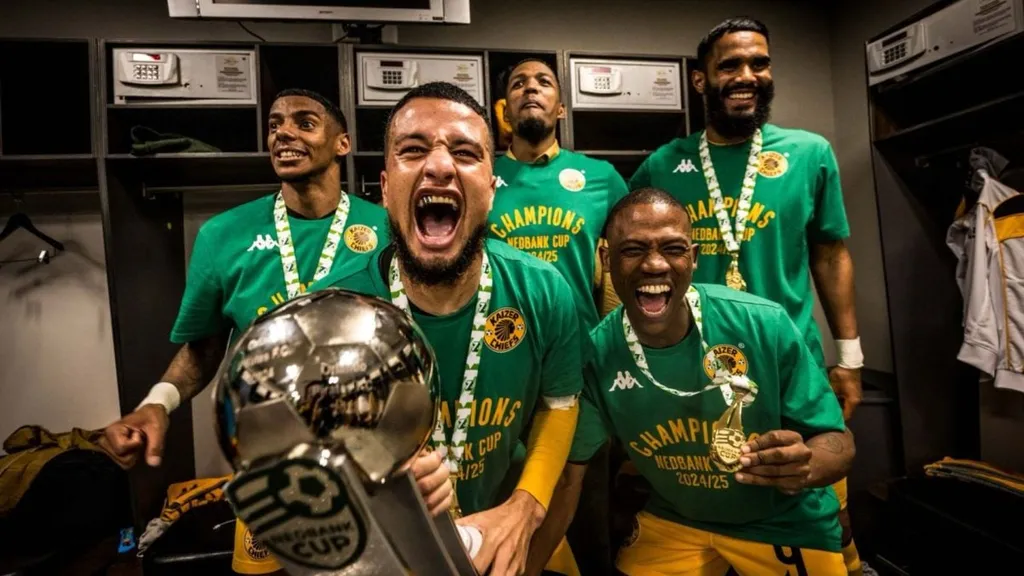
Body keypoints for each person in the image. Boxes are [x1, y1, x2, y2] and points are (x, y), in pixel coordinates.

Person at [99, 88, 451, 575]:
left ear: (343, 143)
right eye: (274, 125)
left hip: (376, 462)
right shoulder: (223, 235)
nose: (283, 133)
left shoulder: (391, 228)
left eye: (304, 123)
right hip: (274, 470)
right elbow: (203, 349)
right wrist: (157, 403)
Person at [311, 80, 583, 576]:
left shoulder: (545, 291)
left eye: (465, 152)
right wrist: (369, 479)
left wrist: (526, 507)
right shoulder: (328, 313)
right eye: (413, 150)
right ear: (386, 188)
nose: (439, 165)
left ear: (492, 189)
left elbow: (559, 405)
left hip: (502, 533)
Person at [628, 17, 867, 574]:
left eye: (759, 63)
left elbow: (831, 255)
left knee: (822, 505)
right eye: (730, 65)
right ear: (701, 80)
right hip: (696, 374)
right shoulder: (662, 164)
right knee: (707, 500)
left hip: (791, 370)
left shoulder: (809, 153)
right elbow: (631, 261)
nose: (747, 75)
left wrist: (850, 357)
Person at [532, 187, 856, 575]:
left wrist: (805, 466)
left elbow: (839, 443)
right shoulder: (596, 355)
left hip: (782, 521)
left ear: (694, 257)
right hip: (677, 521)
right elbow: (570, 479)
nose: (655, 264)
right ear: (606, 259)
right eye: (633, 250)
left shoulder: (763, 324)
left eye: (673, 249)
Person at [490, 57, 630, 576]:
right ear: (504, 109)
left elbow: (624, 265)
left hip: (580, 367)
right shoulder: (482, 173)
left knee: (588, 519)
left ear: (562, 107)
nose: (531, 89)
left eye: (544, 82)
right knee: (509, 506)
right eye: (518, 84)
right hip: (503, 363)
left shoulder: (600, 178)